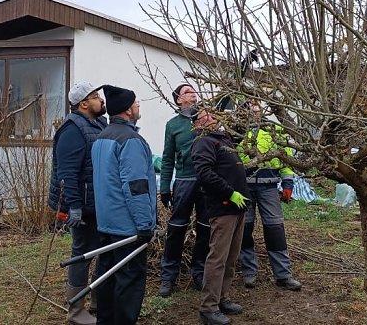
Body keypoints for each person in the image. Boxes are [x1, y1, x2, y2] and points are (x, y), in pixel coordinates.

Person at [91, 85, 157, 325]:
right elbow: (136, 186)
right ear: (129, 110)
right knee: (128, 284)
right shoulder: (131, 140)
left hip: (106, 223)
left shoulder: (102, 137)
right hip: (127, 227)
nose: (139, 106)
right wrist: (145, 224)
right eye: (137, 103)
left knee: (107, 282)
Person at [47, 81, 108, 325]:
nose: (101, 100)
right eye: (96, 97)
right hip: (82, 205)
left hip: (98, 202)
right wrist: (73, 205)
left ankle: (97, 301)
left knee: (102, 250)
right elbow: (67, 172)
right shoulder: (72, 129)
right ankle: (76, 311)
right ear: (83, 103)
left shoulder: (99, 124)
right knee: (82, 253)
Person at [190, 107, 250, 325]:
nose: (212, 117)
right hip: (223, 207)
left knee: (231, 257)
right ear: (197, 123)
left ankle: (222, 298)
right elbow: (204, 173)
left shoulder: (224, 139)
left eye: (212, 113)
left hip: (238, 207)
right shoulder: (203, 141)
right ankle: (208, 308)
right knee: (218, 258)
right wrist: (229, 193)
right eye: (206, 115)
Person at [237, 102, 302, 291]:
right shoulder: (237, 132)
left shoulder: (274, 130)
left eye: (257, 107)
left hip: (269, 187)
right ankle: (249, 272)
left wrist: (288, 183)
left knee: (275, 230)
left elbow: (285, 157)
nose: (254, 111)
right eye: (249, 107)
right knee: (245, 230)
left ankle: (283, 274)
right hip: (244, 188)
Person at [158, 83, 210, 296]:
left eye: (194, 91)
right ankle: (168, 276)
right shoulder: (173, 125)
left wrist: (241, 67)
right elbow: (168, 158)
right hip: (184, 181)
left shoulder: (207, 118)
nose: (193, 93)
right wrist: (164, 188)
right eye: (187, 92)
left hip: (207, 181)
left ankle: (199, 272)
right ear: (179, 100)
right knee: (176, 229)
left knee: (205, 229)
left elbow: (227, 98)